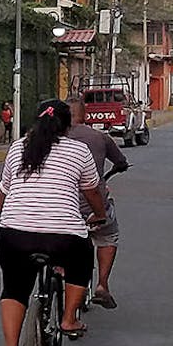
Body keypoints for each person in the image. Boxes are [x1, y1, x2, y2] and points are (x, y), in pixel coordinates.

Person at [0, 99, 107, 346]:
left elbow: (2, 197)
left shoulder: (18, 147)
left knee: (14, 288)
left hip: (13, 235)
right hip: (64, 236)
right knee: (81, 262)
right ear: (67, 125)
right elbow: (92, 193)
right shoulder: (78, 150)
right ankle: (68, 319)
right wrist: (100, 215)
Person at [66, 96, 128, 309]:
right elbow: (120, 162)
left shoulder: (49, 137)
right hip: (92, 206)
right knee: (108, 235)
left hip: (62, 206)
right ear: (85, 114)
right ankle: (102, 285)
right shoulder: (99, 137)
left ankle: (61, 272)